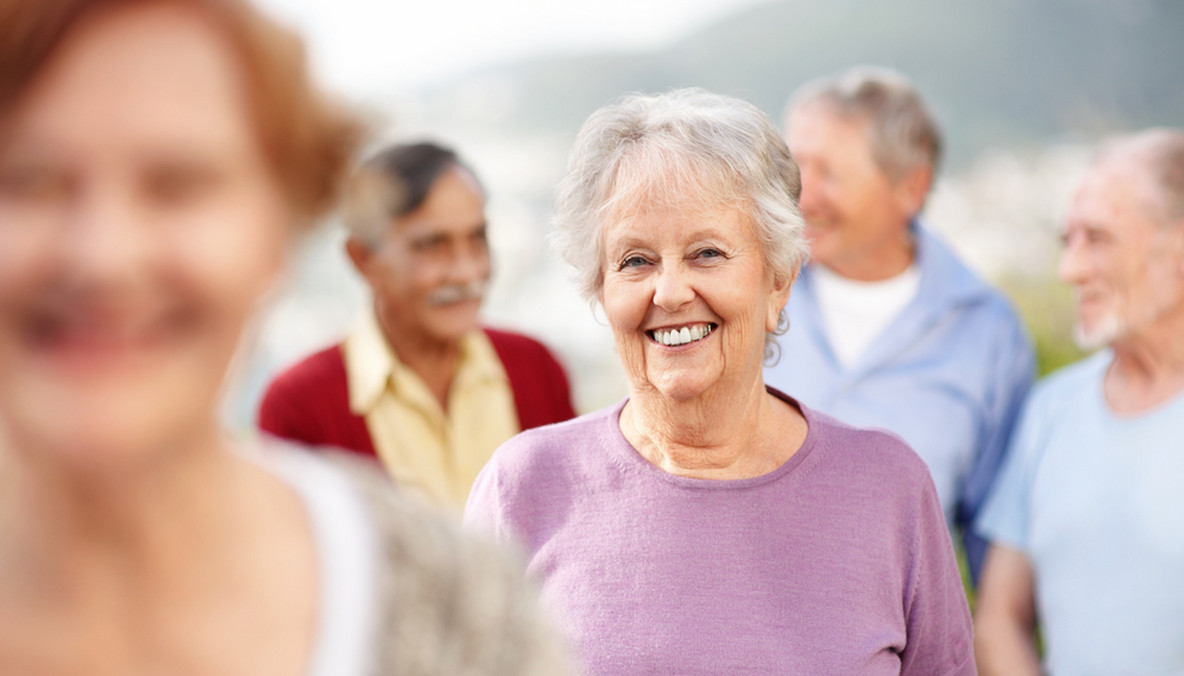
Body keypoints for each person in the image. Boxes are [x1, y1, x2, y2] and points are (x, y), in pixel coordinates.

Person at [0, 1, 570, 673]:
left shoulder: (462, 613)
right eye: (27, 179)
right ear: (362, 260)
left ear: (279, 231)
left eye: (177, 185)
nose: (104, 257)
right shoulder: (306, 397)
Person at [465, 88, 976, 675]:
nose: (671, 291)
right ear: (601, 290)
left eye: (707, 253)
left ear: (778, 281)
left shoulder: (888, 488)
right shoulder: (523, 489)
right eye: (635, 261)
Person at [762, 66, 1035, 579]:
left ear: (912, 187)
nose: (803, 197)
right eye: (795, 171)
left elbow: (995, 541)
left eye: (831, 174)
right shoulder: (745, 291)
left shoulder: (987, 331)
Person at [258, 141, 575, 509]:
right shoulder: (300, 406)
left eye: (477, 240)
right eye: (432, 246)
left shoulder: (537, 370)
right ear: (363, 259)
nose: (466, 271)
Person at [974, 129, 1184, 676]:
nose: (1070, 270)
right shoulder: (1053, 409)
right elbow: (999, 618)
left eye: (1098, 239)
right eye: (1067, 241)